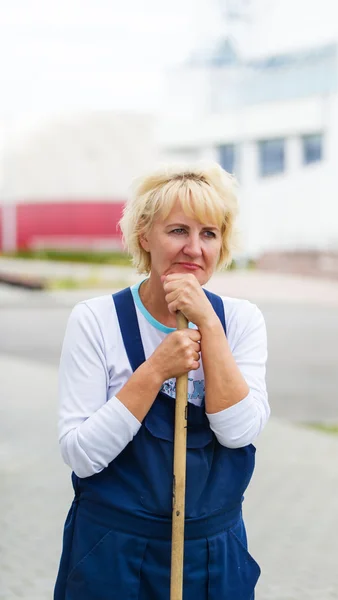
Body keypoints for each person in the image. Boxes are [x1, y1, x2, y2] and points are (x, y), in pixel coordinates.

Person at [54, 161, 270, 600]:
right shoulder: (96, 320)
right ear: (144, 236)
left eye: (208, 234)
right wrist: (154, 371)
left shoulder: (241, 321)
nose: (194, 248)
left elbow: (239, 432)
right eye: (178, 231)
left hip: (213, 557)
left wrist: (208, 324)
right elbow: (80, 455)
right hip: (112, 553)